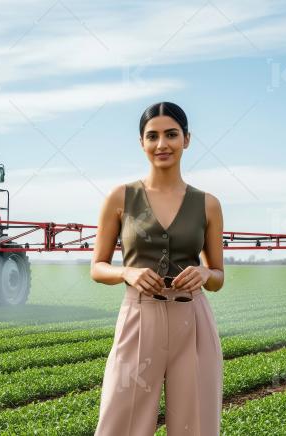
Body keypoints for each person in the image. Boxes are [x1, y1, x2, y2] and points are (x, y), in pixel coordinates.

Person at [90, 101, 225, 435]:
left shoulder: (208, 203)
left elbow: (218, 276)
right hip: (139, 317)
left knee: (195, 424)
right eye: (152, 136)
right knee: (120, 422)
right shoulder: (120, 198)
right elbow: (97, 267)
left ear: (187, 140)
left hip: (192, 321)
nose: (162, 144)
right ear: (142, 143)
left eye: (171, 135)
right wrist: (127, 272)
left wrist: (206, 273)